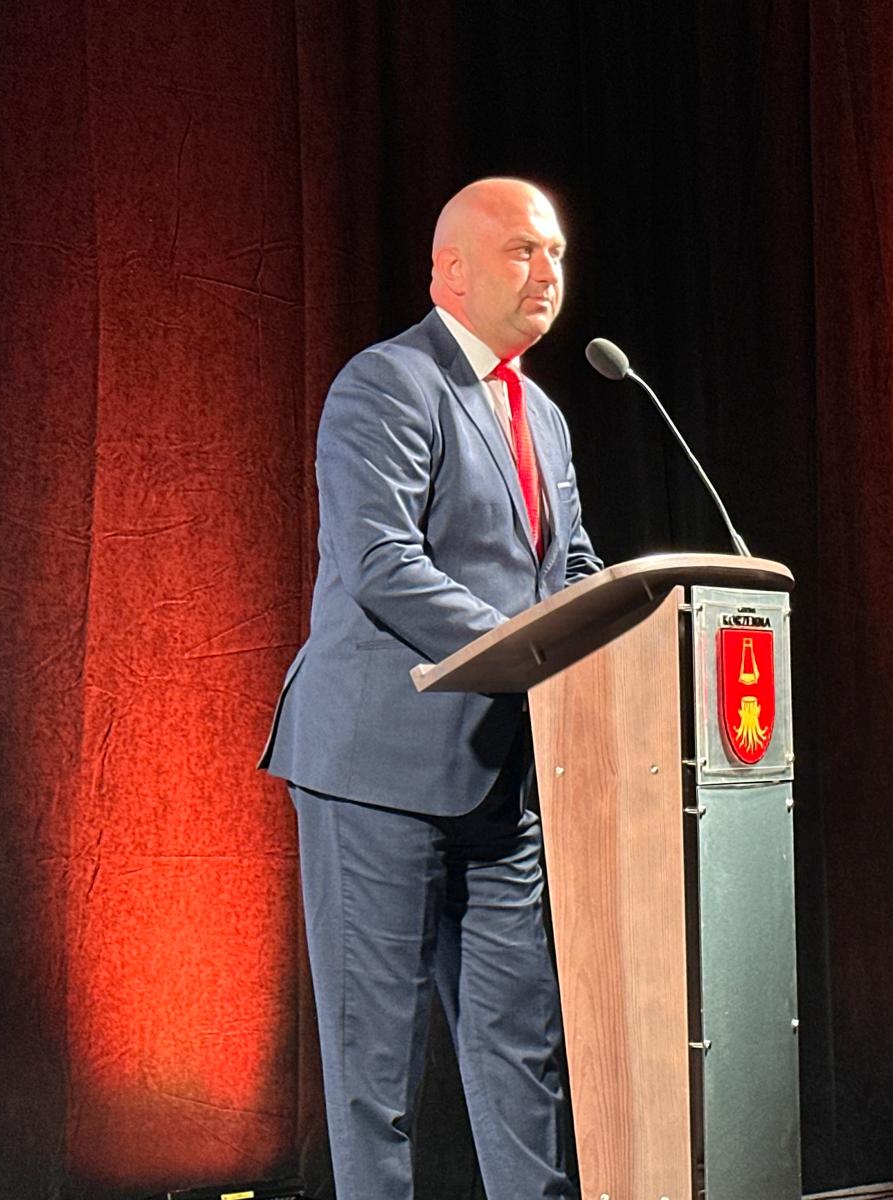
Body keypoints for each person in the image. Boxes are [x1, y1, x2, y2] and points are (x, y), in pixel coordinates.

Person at [260, 177, 601, 1199]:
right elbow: (382, 564)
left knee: (522, 1051)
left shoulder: (543, 414)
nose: (546, 272)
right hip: (376, 768)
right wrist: (526, 648)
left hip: (498, 779)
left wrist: (625, 624)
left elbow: (569, 567)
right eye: (521, 251)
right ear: (449, 271)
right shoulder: (387, 384)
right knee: (378, 1067)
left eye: (555, 254)